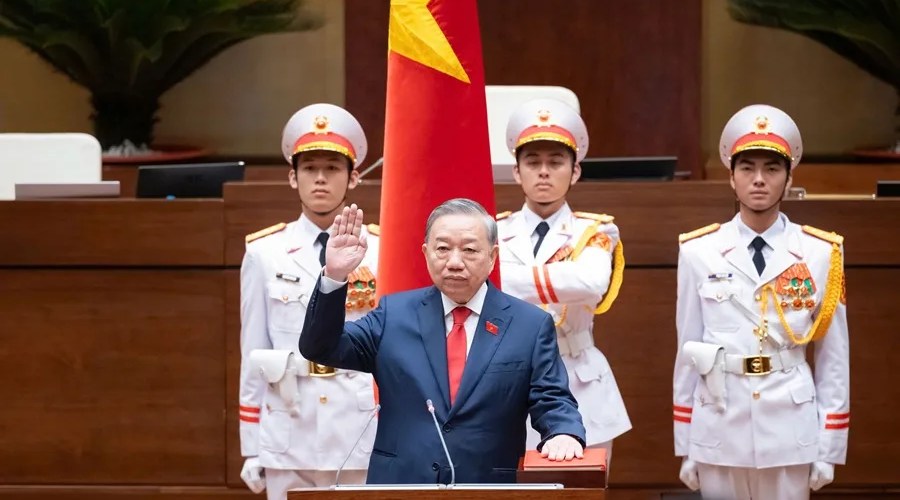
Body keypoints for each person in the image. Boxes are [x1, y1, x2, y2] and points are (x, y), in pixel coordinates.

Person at [298, 198, 587, 484]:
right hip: (401, 485)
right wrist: (334, 276)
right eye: (442, 249)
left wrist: (563, 432)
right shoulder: (393, 315)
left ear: (492, 256)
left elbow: (552, 398)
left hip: (487, 486)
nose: (454, 262)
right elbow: (321, 347)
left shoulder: (529, 324)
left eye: (470, 250)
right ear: (426, 253)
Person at [673, 104, 849, 499]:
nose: (758, 180)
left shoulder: (821, 253)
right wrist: (686, 444)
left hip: (791, 425)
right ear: (731, 178)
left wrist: (830, 446)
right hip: (719, 422)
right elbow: (688, 349)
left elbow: (834, 359)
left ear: (788, 178)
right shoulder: (699, 251)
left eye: (771, 168)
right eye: (747, 168)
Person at [238, 103, 381, 499]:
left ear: (353, 178)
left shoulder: (381, 249)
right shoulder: (264, 252)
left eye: (333, 168)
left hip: (357, 427)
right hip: (289, 427)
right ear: (292, 177)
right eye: (310, 168)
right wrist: (252, 446)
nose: (320, 179)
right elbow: (253, 352)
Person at [497, 98, 632, 462]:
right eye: (533, 162)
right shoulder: (493, 231)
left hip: (580, 378)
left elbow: (589, 283)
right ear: (516, 171)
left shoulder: (596, 230)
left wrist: (506, 279)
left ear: (575, 172)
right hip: (509, 379)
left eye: (556, 162)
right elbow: (482, 286)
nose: (544, 171)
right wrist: (560, 278)